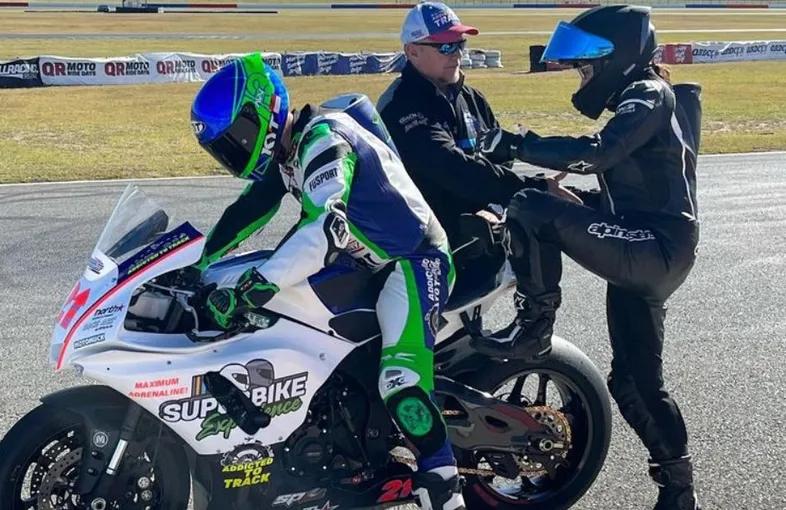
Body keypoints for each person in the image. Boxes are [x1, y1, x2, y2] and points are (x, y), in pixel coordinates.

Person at [189, 52, 465, 510]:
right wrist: (196, 264)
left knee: (401, 382)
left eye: (238, 137)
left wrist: (254, 287)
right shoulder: (285, 153)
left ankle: (443, 483)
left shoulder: (323, 140)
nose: (234, 152)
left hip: (412, 261)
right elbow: (246, 213)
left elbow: (325, 229)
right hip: (362, 260)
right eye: (224, 147)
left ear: (266, 113)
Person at [469, 5, 702, 510]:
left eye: (586, 64)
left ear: (615, 56)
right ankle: (679, 491)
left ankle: (534, 328)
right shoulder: (641, 98)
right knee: (634, 384)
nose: (582, 75)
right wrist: (585, 204)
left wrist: (515, 144)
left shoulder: (647, 93)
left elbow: (598, 152)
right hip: (648, 244)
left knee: (529, 206)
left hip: (654, 248)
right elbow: (646, 188)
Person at [376, 1, 581, 293]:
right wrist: (530, 187)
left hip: (473, 242)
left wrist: (494, 207)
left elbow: (496, 160)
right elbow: (449, 167)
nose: (458, 53)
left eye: (460, 42)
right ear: (412, 51)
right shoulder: (401, 105)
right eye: (445, 46)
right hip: (419, 252)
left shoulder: (471, 98)